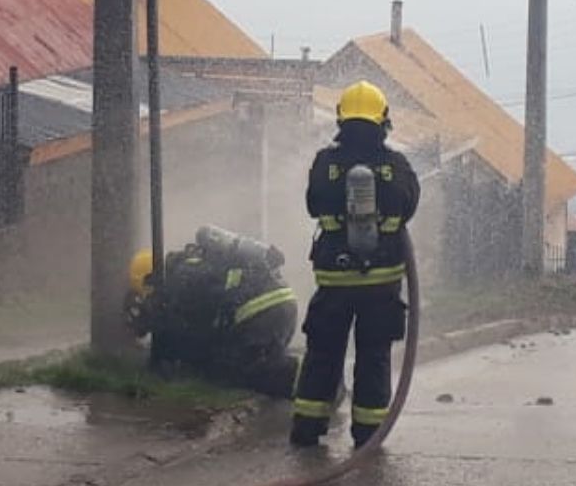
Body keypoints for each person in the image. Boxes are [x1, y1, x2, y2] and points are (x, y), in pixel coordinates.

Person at [291, 81, 420, 448]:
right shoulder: (396, 166)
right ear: (383, 121)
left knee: (323, 353)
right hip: (381, 284)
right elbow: (409, 206)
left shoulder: (325, 163)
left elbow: (313, 204)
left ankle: (306, 428)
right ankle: (368, 435)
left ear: (341, 120)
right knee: (374, 358)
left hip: (334, 281)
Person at [124, 226, 299, 398]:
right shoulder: (186, 270)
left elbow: (196, 331)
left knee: (238, 372)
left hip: (264, 310)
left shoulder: (183, 277)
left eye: (146, 292)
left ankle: (307, 376)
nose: (149, 299)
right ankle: (300, 374)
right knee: (240, 364)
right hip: (275, 308)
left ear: (150, 279)